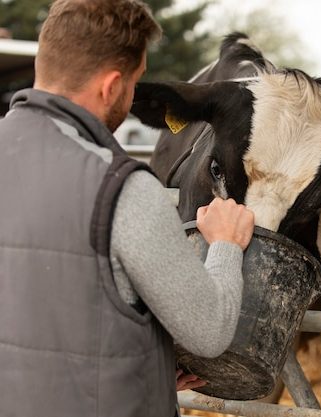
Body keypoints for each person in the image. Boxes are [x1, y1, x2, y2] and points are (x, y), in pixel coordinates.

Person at [0, 1, 255, 416]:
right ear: (112, 86)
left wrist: (147, 369)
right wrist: (226, 245)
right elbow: (208, 332)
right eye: (136, 81)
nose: (134, 95)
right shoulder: (122, 189)